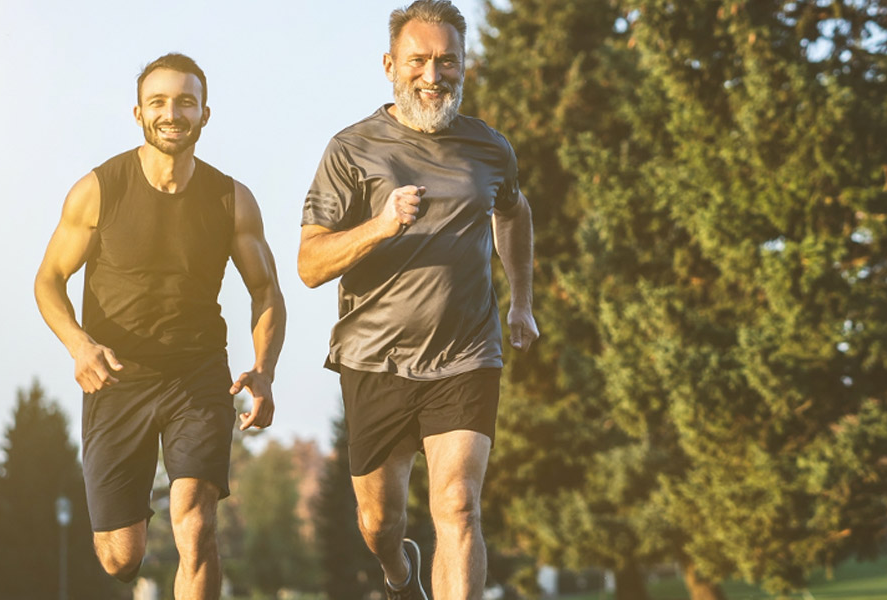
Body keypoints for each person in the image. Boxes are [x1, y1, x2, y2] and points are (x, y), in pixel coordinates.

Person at [297, 2, 538, 598]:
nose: (433, 76)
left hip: (466, 355)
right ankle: (399, 572)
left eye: (447, 61)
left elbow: (514, 212)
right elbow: (308, 265)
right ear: (390, 65)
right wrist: (380, 226)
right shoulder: (350, 150)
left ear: (463, 66)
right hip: (374, 361)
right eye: (419, 61)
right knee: (379, 524)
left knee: (458, 505)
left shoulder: (489, 148)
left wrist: (521, 302)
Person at [34, 53, 285, 599]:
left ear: (205, 114)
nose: (173, 113)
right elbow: (49, 279)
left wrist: (263, 371)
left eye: (186, 102)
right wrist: (79, 346)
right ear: (138, 113)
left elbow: (265, 291)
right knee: (120, 559)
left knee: (196, 525)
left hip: (197, 376)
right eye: (159, 102)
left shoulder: (231, 199)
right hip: (116, 377)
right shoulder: (99, 190)